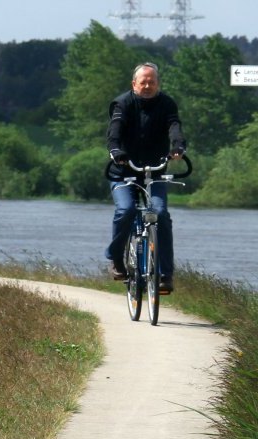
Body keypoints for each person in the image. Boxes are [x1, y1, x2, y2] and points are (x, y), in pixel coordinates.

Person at [106, 62, 186, 293]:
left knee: (160, 214)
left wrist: (178, 147)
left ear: (158, 84)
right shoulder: (122, 103)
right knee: (126, 210)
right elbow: (115, 131)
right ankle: (116, 259)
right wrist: (116, 151)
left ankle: (164, 276)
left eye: (152, 82)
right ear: (134, 84)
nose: (148, 85)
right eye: (144, 82)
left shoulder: (167, 103)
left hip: (154, 171)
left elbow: (174, 127)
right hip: (123, 171)